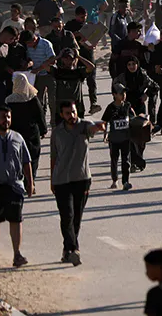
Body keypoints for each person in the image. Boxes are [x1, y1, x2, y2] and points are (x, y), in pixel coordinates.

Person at [50, 100, 107, 265]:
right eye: (68, 113)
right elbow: (54, 157)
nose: (72, 116)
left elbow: (93, 127)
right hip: (61, 180)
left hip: (81, 179)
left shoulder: (83, 126)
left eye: (73, 112)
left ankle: (67, 249)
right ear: (62, 115)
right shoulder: (57, 133)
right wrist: (52, 179)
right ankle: (74, 249)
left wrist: (100, 126)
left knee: (76, 218)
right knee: (66, 216)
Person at [0, 105, 33, 267]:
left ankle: (17, 255)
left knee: (16, 220)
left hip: (14, 186)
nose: (6, 120)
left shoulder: (17, 138)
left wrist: (30, 183)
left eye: (8, 117)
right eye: (3, 117)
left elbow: (26, 162)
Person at [5, 74, 45, 185]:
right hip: (31, 133)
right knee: (33, 157)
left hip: (16, 133)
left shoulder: (9, 101)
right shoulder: (33, 98)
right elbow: (40, 115)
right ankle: (31, 182)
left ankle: (22, 180)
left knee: (18, 157)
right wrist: (43, 130)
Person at [101, 84, 136, 190]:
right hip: (114, 139)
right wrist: (105, 133)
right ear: (114, 95)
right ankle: (114, 180)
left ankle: (126, 181)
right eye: (121, 93)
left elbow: (134, 118)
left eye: (124, 93)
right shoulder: (110, 108)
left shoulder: (127, 106)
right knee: (114, 160)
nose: (124, 95)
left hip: (126, 138)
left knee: (126, 160)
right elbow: (105, 122)